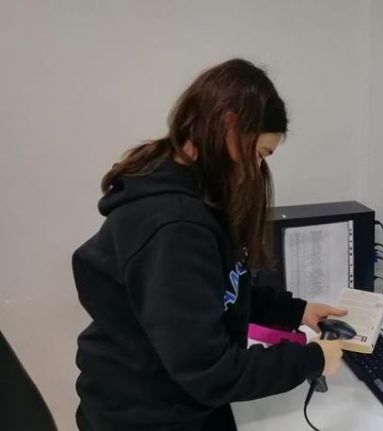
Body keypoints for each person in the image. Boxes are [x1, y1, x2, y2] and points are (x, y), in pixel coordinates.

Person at [72, 58, 346, 431]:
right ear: (230, 126)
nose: (257, 169)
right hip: (144, 414)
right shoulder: (176, 228)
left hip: (175, 394)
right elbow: (209, 370)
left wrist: (297, 311)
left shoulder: (192, 191)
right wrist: (312, 360)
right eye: (260, 153)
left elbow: (219, 291)